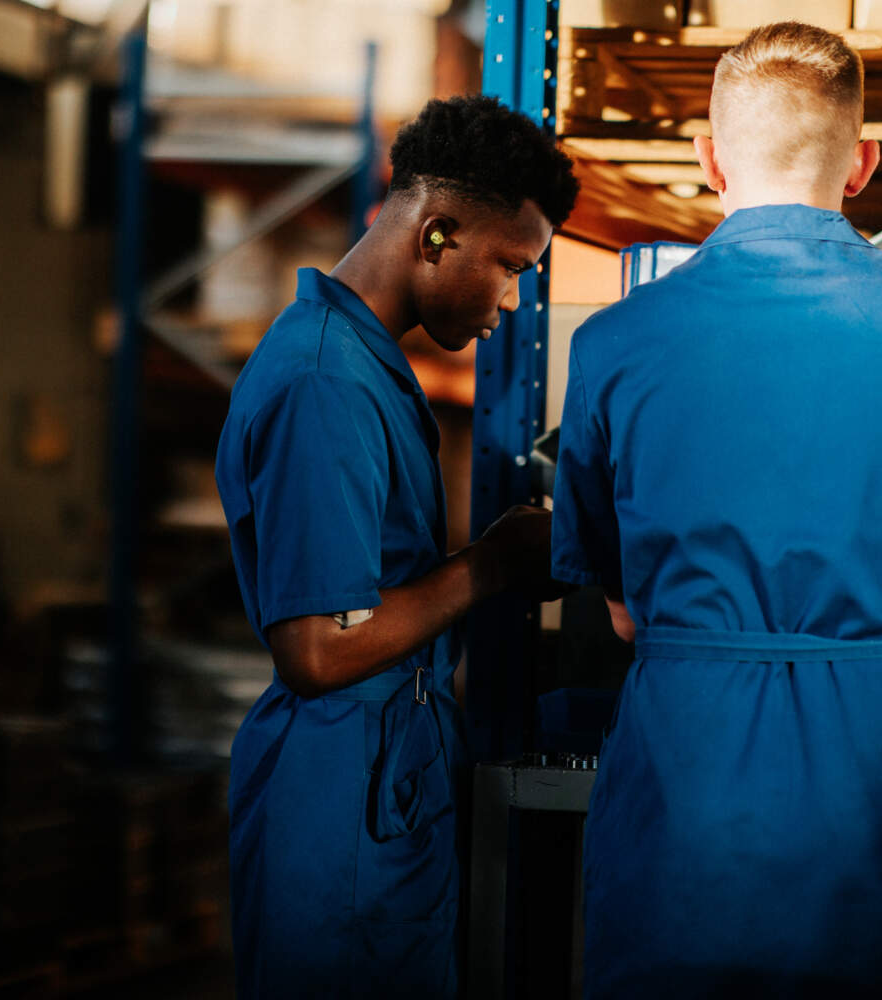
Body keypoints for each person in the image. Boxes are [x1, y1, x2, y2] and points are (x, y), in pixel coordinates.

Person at [550, 22, 882, 998]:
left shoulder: (612, 343)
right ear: (862, 164)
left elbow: (626, 608)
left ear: (708, 157)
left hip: (692, 774)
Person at [215, 95, 578, 998]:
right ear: (436, 233)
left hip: (385, 772)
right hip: (337, 790)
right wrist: (492, 564)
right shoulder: (323, 385)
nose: (505, 306)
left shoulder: (366, 365)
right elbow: (317, 650)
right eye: (506, 267)